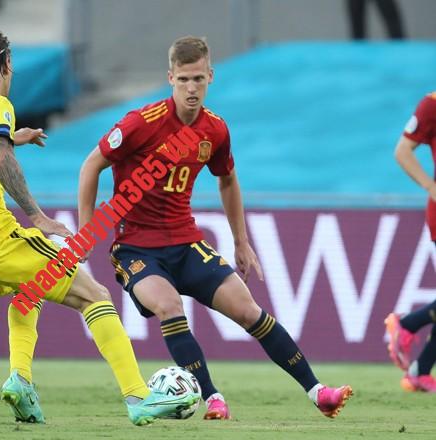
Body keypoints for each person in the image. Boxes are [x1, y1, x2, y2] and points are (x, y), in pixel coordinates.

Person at [0, 28, 199, 426]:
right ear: (6, 64)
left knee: (27, 292)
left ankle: (20, 380)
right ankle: (138, 396)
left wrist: (14, 137)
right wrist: (36, 215)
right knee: (95, 294)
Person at [78, 36, 353, 420]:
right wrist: (86, 229)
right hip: (136, 249)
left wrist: (241, 241)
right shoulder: (141, 123)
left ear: (211, 76)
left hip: (186, 242)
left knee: (249, 311)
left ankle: (318, 391)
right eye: (184, 80)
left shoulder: (215, 130)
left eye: (199, 80)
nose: (192, 89)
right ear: (170, 77)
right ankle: (211, 398)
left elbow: (227, 180)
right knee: (170, 306)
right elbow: (91, 165)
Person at [384, 91, 436, 393]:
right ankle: (408, 325)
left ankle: (419, 370)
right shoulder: (432, 104)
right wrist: (430, 186)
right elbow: (403, 150)